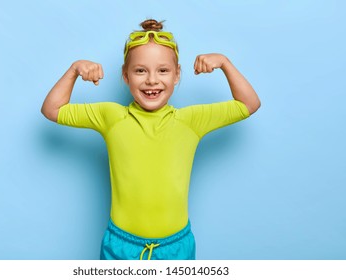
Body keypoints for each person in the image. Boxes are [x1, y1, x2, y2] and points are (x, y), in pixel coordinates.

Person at [41, 19, 260, 260]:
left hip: (176, 248)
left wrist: (225, 63)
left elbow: (249, 104)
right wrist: (74, 70)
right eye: (140, 70)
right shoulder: (111, 117)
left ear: (177, 75)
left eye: (163, 70)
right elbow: (52, 109)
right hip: (121, 246)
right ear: (125, 75)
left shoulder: (191, 121)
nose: (152, 80)